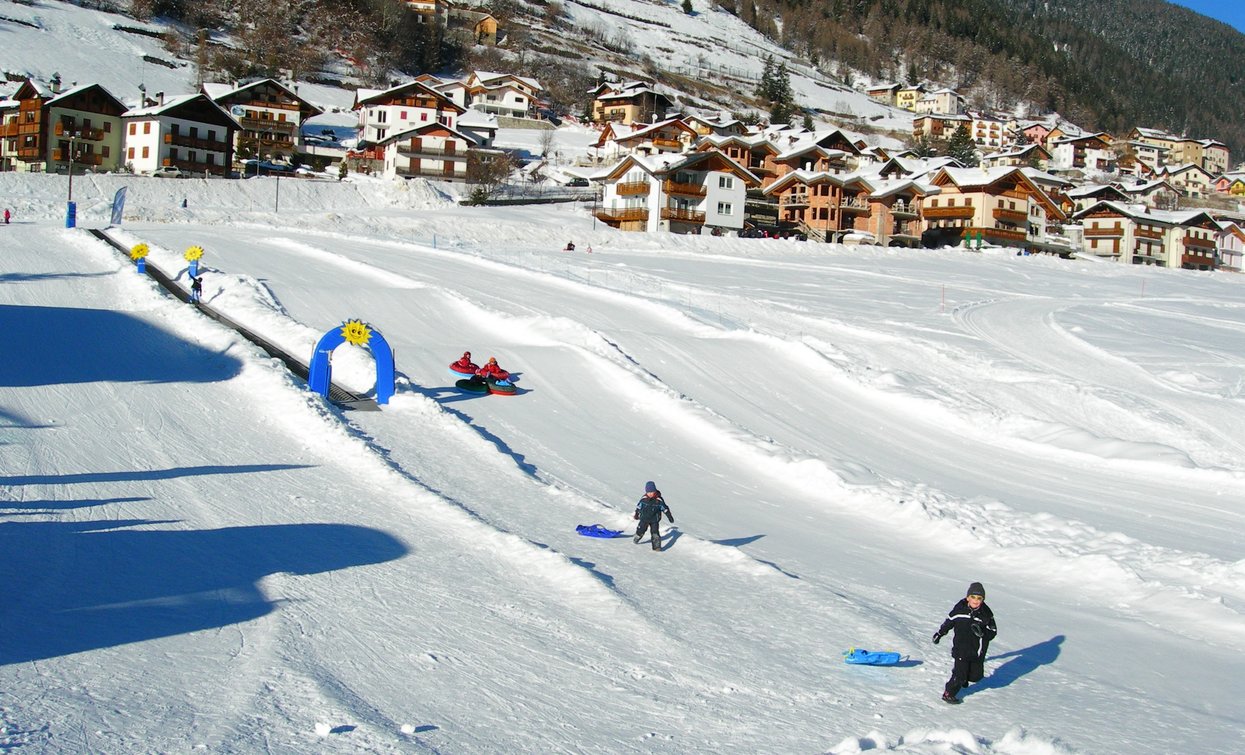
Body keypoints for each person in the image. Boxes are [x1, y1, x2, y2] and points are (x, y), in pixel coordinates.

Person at [932, 582, 997, 704]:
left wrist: (982, 633)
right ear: (968, 597)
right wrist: (940, 634)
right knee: (959, 675)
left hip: (976, 650)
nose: (975, 600)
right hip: (960, 648)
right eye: (973, 597)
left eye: (979, 598)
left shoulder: (985, 614)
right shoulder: (959, 610)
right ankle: (949, 693)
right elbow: (949, 622)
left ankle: (963, 678)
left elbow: (993, 631)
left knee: (976, 676)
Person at [633, 481, 674, 551]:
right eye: (648, 492)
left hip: (654, 519)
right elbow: (639, 507)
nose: (650, 494)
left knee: (655, 533)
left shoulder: (659, 500)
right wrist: (636, 514)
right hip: (644, 518)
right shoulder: (644, 499)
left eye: (652, 492)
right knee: (641, 529)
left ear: (655, 491)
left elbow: (665, 509)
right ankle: (638, 536)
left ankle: (656, 547)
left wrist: (669, 517)